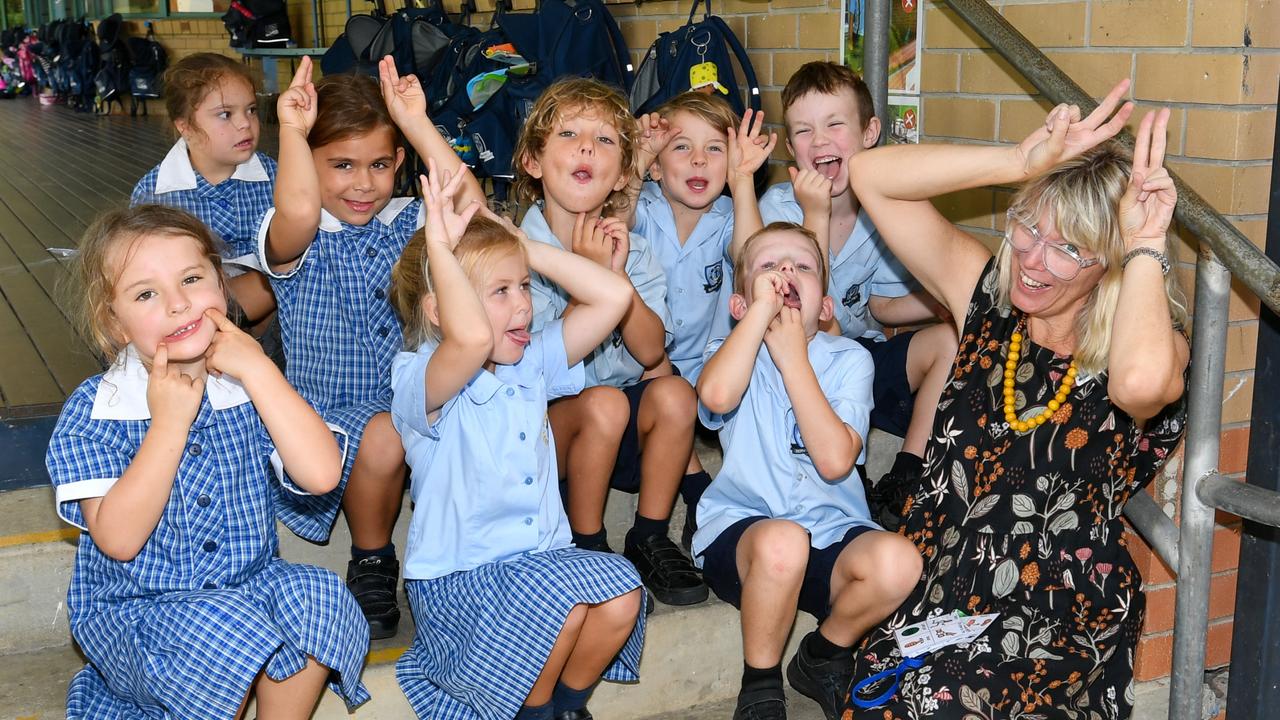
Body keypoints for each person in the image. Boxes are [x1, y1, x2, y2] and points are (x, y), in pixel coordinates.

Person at [841, 81, 1189, 718]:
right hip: (941, 603)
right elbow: (868, 174)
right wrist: (1018, 163)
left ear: (1108, 265)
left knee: (930, 704)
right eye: (1029, 226)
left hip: (1055, 618)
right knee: (880, 704)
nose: (1033, 259)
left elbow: (1140, 388)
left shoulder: (1144, 345)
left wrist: (1144, 244)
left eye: (1069, 248)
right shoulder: (988, 305)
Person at [45, 205, 370, 718]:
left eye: (192, 279)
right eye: (146, 293)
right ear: (116, 323)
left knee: (320, 597)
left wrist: (261, 373)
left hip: (249, 586)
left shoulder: (248, 388)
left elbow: (323, 473)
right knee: (222, 629)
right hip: (140, 610)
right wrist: (168, 425)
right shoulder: (99, 409)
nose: (179, 305)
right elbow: (119, 539)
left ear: (222, 287)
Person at [388, 163, 645, 720]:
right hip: (462, 582)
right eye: (501, 291)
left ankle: (565, 708)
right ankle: (531, 712)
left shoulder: (529, 362)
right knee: (565, 607)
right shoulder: (420, 378)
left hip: (539, 568)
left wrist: (523, 245)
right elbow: (473, 338)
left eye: (524, 286)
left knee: (623, 591)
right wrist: (438, 246)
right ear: (439, 309)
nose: (525, 306)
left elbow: (611, 297)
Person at [259, 55, 484, 638]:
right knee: (383, 431)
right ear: (305, 167)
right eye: (340, 165)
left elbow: (469, 207)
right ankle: (373, 558)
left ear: (401, 165)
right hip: (330, 419)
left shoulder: (411, 219)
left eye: (380, 165)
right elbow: (301, 206)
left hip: (420, 401)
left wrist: (415, 121)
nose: (364, 183)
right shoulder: (293, 236)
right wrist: (291, 131)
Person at [695, 222, 923, 720]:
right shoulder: (731, 353)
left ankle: (823, 653)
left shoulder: (849, 360)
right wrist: (759, 320)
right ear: (740, 305)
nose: (784, 273)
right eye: (768, 267)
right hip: (745, 539)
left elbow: (835, 460)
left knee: (899, 562)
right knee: (783, 542)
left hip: (832, 532)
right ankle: (759, 685)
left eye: (802, 266)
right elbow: (715, 397)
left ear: (824, 306)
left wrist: (795, 359)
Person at [514, 77, 705, 607]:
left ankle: (648, 535)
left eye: (603, 141)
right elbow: (544, 365)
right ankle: (587, 543)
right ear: (533, 161)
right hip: (541, 435)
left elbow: (649, 353)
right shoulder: (514, 252)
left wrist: (615, 281)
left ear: (622, 172)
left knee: (673, 393)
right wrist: (586, 286)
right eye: (568, 134)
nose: (584, 148)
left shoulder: (635, 251)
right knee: (602, 402)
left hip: (620, 431)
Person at [753, 62, 957, 530]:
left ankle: (906, 473)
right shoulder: (778, 208)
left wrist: (942, 300)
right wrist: (815, 214)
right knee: (827, 332)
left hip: (859, 354)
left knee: (947, 339)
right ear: (791, 149)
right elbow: (803, 310)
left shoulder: (882, 212)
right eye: (804, 130)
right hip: (794, 356)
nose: (820, 141)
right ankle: (851, 473)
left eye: (834, 124)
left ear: (870, 133)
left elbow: (880, 308)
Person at [131, 52, 277, 326]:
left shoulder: (276, 176)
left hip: (273, 313)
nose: (245, 123)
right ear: (185, 127)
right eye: (225, 114)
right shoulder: (155, 193)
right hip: (189, 314)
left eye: (251, 109)